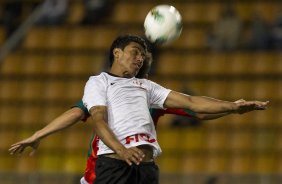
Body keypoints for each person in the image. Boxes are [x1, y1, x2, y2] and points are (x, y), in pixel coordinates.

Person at [9, 45, 252, 184]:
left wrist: (231, 108)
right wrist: (38, 134)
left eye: (141, 59)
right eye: (136, 56)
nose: (138, 62)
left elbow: (197, 109)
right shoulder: (106, 88)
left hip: (134, 168)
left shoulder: (151, 95)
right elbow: (76, 112)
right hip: (102, 171)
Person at [82, 34, 268, 184]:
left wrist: (233, 106)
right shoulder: (99, 82)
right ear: (117, 53)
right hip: (116, 165)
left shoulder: (147, 86)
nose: (139, 58)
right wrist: (122, 150)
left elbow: (192, 102)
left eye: (142, 56)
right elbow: (98, 120)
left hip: (146, 169)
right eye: (135, 52)